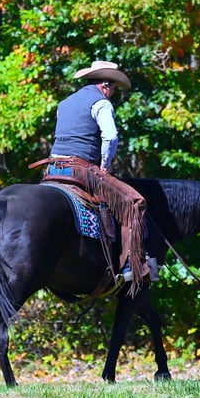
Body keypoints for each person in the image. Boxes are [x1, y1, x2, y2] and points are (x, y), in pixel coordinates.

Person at [48, 60, 156, 294]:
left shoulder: (64, 103)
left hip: (53, 169)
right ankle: (130, 266)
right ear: (105, 85)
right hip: (81, 168)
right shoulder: (101, 103)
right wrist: (104, 166)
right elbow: (111, 137)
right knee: (135, 202)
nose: (113, 92)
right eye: (114, 87)